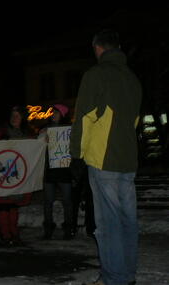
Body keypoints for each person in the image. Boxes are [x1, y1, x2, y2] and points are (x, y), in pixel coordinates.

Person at [70, 29, 142, 285]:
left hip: (103, 160)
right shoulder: (133, 79)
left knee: (108, 225)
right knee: (127, 222)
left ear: (98, 48)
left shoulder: (96, 75)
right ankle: (127, 274)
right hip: (128, 160)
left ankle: (114, 278)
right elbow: (133, 121)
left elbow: (84, 118)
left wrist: (76, 155)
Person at [0, 106, 33, 245]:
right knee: (4, 205)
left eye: (18, 115)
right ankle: (5, 234)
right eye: (13, 115)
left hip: (18, 175)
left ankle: (14, 233)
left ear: (22, 118)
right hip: (4, 173)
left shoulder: (27, 133)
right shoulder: (1, 133)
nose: (15, 118)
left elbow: (33, 150)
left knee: (14, 204)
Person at [39, 104, 74, 240]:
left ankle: (68, 228)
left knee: (67, 201)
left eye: (56, 113)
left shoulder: (70, 131)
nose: (53, 114)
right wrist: (43, 139)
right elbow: (38, 146)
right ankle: (48, 227)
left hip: (64, 169)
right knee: (48, 201)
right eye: (53, 112)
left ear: (63, 115)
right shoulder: (45, 130)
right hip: (50, 169)